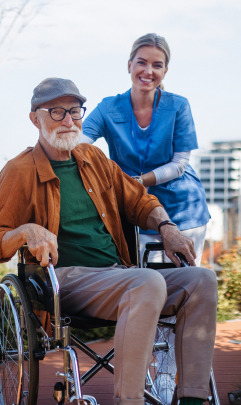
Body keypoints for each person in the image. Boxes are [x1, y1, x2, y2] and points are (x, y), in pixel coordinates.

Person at [0, 77, 217, 405]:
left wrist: (167, 227)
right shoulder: (19, 172)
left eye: (75, 111)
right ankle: (129, 401)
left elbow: (139, 201)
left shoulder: (93, 158)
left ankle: (193, 399)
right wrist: (26, 231)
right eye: (57, 112)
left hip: (118, 274)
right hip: (65, 281)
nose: (68, 121)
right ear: (36, 118)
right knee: (146, 282)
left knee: (201, 280)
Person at [82, 33, 210, 266]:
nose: (148, 71)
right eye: (141, 62)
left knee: (184, 285)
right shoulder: (108, 107)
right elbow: (78, 144)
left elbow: (180, 163)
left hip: (182, 209)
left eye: (157, 65)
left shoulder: (178, 106)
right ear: (129, 65)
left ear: (165, 71)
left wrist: (137, 182)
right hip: (132, 210)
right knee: (143, 285)